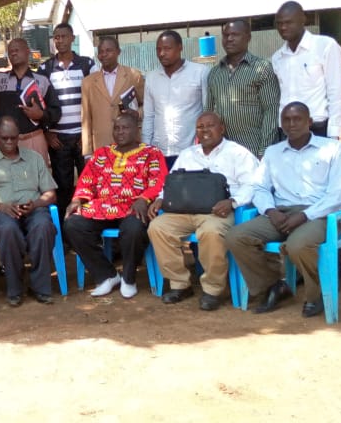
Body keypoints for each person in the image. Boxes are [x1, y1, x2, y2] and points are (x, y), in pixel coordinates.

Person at [225, 102, 341, 318]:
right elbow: (259, 187)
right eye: (286, 120)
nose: (292, 124)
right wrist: (270, 211)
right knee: (236, 236)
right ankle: (273, 286)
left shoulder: (332, 149)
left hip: (318, 214)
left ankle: (317, 294)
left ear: (309, 122)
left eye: (298, 119)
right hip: (280, 213)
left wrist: (304, 216)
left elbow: (337, 195)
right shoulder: (273, 152)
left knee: (297, 245)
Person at [147, 112, 260, 311]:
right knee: (157, 227)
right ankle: (179, 284)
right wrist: (160, 198)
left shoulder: (238, 153)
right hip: (185, 210)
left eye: (210, 125)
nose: (205, 130)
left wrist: (232, 201)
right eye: (200, 127)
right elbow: (171, 182)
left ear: (222, 128)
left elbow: (254, 184)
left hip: (218, 212)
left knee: (211, 232)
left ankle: (213, 289)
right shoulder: (188, 154)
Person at [64, 111, 167, 299]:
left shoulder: (151, 154)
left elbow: (159, 182)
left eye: (125, 128)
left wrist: (144, 199)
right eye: (117, 128)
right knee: (73, 224)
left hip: (133, 207)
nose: (120, 132)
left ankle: (128, 278)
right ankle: (107, 275)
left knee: (134, 228)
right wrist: (77, 199)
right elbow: (86, 181)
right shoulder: (102, 154)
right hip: (102, 207)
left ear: (137, 130)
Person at [0, 117, 58, 307]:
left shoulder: (34, 158)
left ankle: (40, 287)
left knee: (43, 226)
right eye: (5, 138)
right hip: (2, 212)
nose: (10, 142)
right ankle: (15, 288)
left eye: (13, 137)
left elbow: (51, 194)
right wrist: (0, 206)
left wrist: (35, 204)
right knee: (8, 231)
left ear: (19, 136)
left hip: (33, 209)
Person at [0, 38, 61, 167]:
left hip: (33, 139)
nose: (13, 53)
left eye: (17, 50)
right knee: (6, 178)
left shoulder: (41, 80)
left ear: (27, 52)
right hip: (5, 143)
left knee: (37, 177)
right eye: (10, 51)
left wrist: (41, 115)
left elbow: (56, 111)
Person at [38, 23, 96, 222]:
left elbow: (95, 100)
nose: (60, 40)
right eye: (56, 37)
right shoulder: (45, 68)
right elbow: (39, 103)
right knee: (63, 186)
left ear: (72, 38)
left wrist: (88, 135)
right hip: (58, 139)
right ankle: (65, 230)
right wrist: (47, 132)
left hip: (82, 137)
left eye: (64, 36)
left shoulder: (87, 65)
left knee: (89, 183)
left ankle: (89, 226)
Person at [206, 20, 280, 158]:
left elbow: (271, 111)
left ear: (248, 37)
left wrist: (264, 151)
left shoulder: (262, 68)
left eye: (235, 34)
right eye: (226, 35)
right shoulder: (215, 73)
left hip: (253, 150)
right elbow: (209, 114)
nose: (229, 39)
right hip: (222, 153)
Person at [271, 1, 341, 139]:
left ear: (303, 20)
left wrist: (334, 133)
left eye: (288, 22)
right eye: (279, 23)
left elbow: (335, 92)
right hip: (286, 131)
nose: (283, 27)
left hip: (316, 128)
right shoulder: (277, 58)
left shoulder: (325, 46)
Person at [142, 30, 209, 167]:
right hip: (159, 153)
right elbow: (149, 116)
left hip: (191, 152)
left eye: (167, 48)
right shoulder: (151, 78)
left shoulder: (200, 72)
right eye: (158, 49)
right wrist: (145, 149)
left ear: (180, 47)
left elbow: (207, 111)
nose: (162, 53)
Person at [81, 37, 144, 156]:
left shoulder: (134, 76)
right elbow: (86, 119)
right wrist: (87, 153)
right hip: (101, 145)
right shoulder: (88, 82)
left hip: (130, 144)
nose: (104, 54)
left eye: (108, 50)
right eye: (101, 51)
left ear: (118, 51)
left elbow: (146, 105)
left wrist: (138, 113)